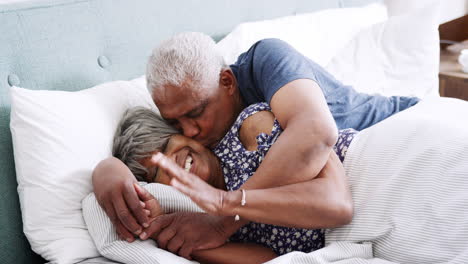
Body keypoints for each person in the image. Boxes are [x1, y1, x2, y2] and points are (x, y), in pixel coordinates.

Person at [92, 32, 419, 258]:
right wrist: (107, 169)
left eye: (196, 113)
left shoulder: (264, 64)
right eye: (176, 123)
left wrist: (222, 219)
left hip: (396, 128)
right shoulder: (209, 155)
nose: (190, 131)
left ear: (227, 81)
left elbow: (317, 134)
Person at [110, 105, 356, 262]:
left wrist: (228, 208)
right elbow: (272, 259)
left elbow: (335, 204)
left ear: (183, 133)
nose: (171, 160)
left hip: (364, 169)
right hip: (354, 232)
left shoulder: (248, 131)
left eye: (166, 145)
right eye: (156, 171)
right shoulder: (200, 217)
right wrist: (188, 242)